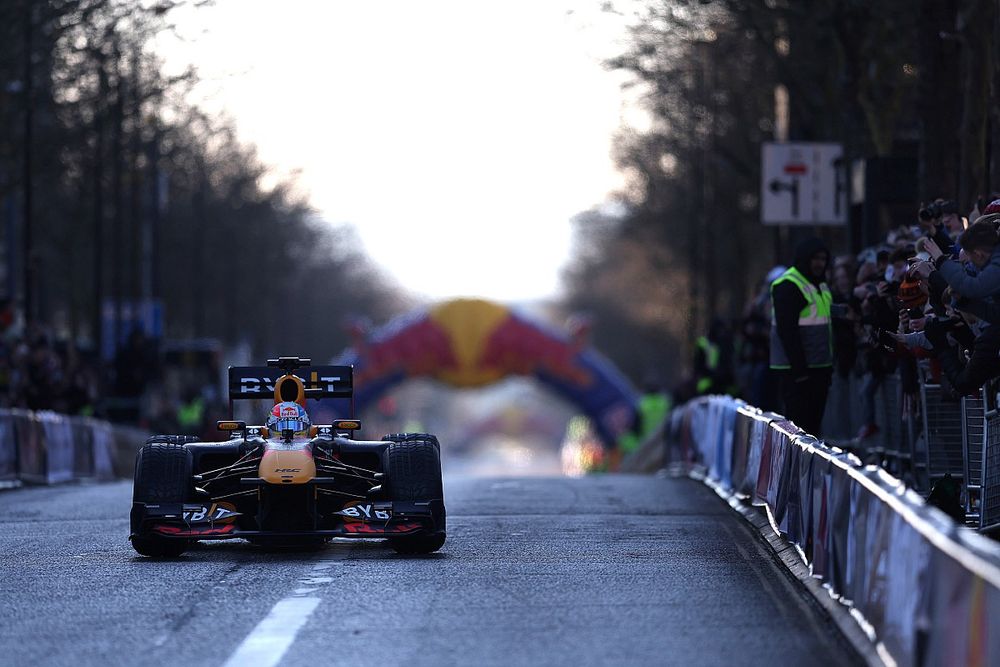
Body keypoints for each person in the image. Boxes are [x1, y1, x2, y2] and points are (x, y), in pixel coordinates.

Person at [769, 237, 834, 435]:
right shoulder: (788, 285)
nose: (819, 264)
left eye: (823, 259)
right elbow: (787, 331)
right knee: (800, 427)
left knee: (814, 427)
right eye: (815, 259)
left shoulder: (820, 284)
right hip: (796, 369)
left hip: (819, 366)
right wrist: (800, 371)